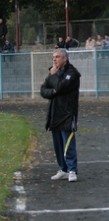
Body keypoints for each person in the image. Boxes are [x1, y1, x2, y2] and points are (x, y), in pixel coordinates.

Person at [40, 49, 81, 182]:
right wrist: (53, 90)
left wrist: (53, 78)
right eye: (53, 57)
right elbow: (43, 90)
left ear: (65, 59)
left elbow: (61, 86)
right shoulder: (54, 72)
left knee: (68, 143)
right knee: (58, 144)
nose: (54, 59)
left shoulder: (72, 73)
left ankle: (72, 170)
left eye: (57, 57)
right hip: (54, 113)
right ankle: (62, 169)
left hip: (67, 114)